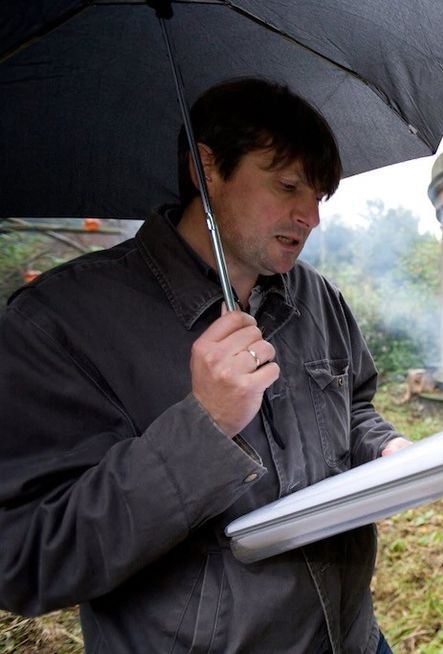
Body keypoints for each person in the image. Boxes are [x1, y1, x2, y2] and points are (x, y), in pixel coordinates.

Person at [0, 78, 412, 653]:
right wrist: (204, 427)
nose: (309, 216)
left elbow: (356, 406)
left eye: (317, 195)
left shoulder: (317, 299)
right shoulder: (62, 323)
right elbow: (28, 558)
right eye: (288, 185)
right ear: (205, 168)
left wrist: (387, 452)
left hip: (353, 638)